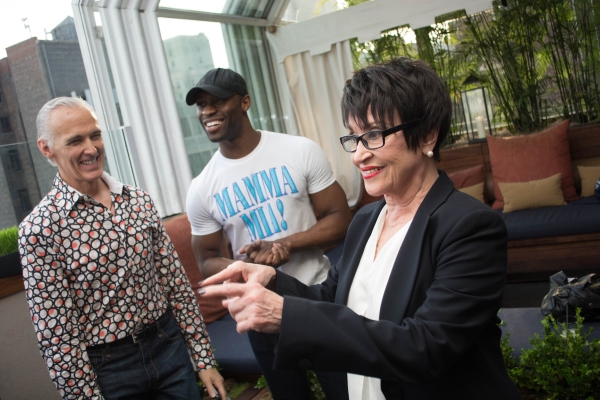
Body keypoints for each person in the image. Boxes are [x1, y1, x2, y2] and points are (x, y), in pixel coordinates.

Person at [199, 58, 522, 400]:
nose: (358, 155)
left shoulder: (469, 226)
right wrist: (273, 281)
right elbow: (334, 299)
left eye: (374, 135)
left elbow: (425, 347)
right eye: (353, 138)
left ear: (427, 134)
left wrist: (287, 315)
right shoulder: (367, 221)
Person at [19, 97, 226, 400]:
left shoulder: (139, 200)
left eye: (95, 135)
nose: (91, 149)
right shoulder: (39, 230)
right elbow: (58, 335)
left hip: (168, 347)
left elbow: (176, 284)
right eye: (75, 141)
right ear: (46, 149)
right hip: (108, 371)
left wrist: (203, 357)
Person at [185, 68, 353, 399]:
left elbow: (341, 218)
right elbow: (205, 261)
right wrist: (252, 268)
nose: (206, 111)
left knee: (346, 390)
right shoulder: (201, 188)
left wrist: (285, 243)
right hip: (257, 307)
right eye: (201, 104)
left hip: (316, 294)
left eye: (217, 100)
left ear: (244, 102)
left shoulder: (298, 150)